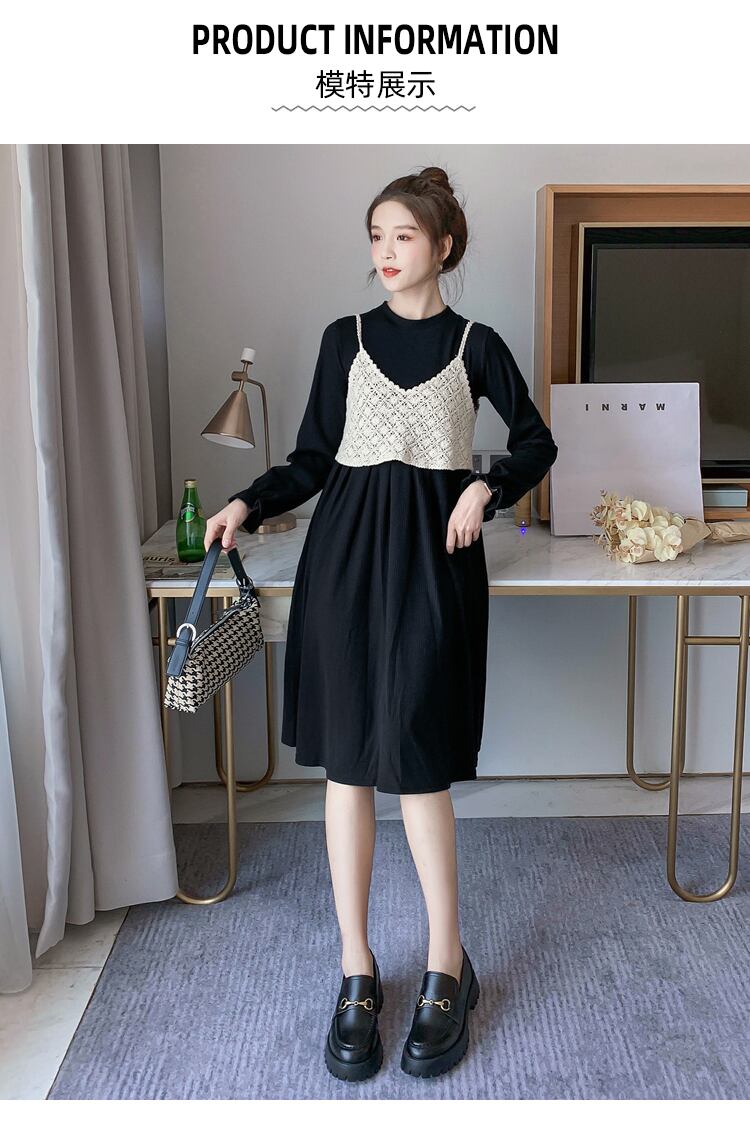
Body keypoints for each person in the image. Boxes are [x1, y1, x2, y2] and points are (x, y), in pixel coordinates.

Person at [205, 166, 558, 1082]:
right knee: (349, 765)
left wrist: (486, 486)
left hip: (435, 565)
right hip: (347, 563)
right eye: (376, 236)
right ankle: (356, 965)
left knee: (421, 759)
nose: (386, 252)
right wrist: (246, 501)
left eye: (403, 235)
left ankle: (448, 962)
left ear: (443, 245)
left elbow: (536, 440)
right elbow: (312, 459)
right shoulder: (345, 338)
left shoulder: (477, 344)